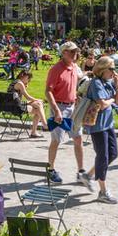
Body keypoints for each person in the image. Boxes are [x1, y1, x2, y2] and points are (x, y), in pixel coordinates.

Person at [44, 41, 92, 189]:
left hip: (72, 107)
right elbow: (48, 91)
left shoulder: (74, 66)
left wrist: (88, 74)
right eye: (71, 51)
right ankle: (51, 170)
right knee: (56, 140)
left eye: (76, 51)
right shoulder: (56, 69)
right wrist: (56, 110)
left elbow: (78, 78)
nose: (75, 54)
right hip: (59, 106)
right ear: (63, 52)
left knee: (78, 139)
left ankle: (81, 171)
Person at [82, 56, 118, 203]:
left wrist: (117, 85)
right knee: (103, 156)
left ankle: (88, 175)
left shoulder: (108, 82)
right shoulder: (96, 83)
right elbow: (103, 104)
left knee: (113, 154)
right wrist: (111, 100)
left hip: (108, 124)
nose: (114, 72)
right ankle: (103, 191)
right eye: (111, 69)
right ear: (103, 69)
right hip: (97, 126)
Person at [10, 69, 46, 138]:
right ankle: (43, 126)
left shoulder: (15, 82)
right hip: (16, 107)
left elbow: (19, 98)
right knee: (38, 107)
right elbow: (28, 97)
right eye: (28, 78)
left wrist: (24, 86)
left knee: (38, 104)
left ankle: (41, 126)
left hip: (13, 104)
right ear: (23, 76)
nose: (28, 80)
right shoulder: (20, 83)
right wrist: (37, 99)